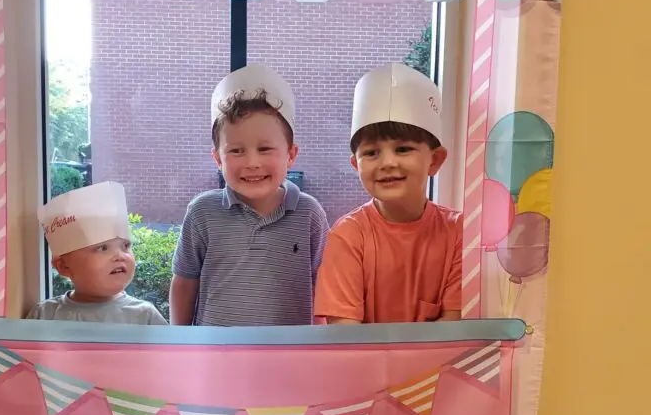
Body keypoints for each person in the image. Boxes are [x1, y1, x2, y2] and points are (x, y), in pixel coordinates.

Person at [170, 64, 329, 326]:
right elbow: (185, 282)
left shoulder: (308, 213)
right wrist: (179, 342)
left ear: (291, 155)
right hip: (216, 354)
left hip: (288, 354)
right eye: (236, 151)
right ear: (217, 159)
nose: (252, 162)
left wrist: (319, 346)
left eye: (265, 148)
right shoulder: (202, 212)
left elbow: (322, 285)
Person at [314, 63, 462, 324]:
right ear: (355, 165)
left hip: (440, 365)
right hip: (362, 366)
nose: (387, 163)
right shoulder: (347, 237)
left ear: (435, 160)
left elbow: (453, 327)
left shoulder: (460, 232)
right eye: (371, 153)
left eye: (403, 149)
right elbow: (345, 335)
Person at [27, 181, 167, 324]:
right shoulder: (45, 315)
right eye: (103, 248)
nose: (120, 256)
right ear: (64, 267)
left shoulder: (145, 316)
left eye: (126, 245)